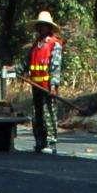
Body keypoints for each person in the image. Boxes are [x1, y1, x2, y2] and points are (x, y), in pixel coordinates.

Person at [25, 10, 64, 154]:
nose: (41, 28)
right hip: (36, 86)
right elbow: (26, 62)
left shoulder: (55, 44)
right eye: (40, 25)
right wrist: (14, 69)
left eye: (44, 26)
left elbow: (55, 66)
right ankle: (39, 142)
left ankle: (51, 142)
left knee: (49, 113)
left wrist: (53, 85)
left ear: (49, 28)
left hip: (48, 86)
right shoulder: (36, 44)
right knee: (37, 114)